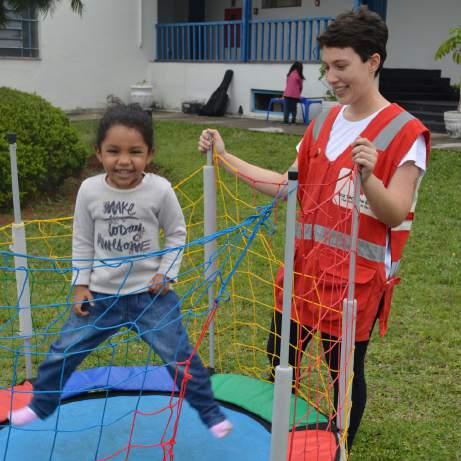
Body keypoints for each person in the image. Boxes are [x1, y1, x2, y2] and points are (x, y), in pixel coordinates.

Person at [198, 7, 430, 451]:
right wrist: (225, 157)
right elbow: (285, 186)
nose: (332, 77)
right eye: (327, 67)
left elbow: (396, 211)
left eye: (341, 66)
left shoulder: (406, 132)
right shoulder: (324, 121)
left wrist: (369, 179)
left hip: (352, 288)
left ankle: (338, 448)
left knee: (342, 376)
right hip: (302, 275)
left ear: (373, 61)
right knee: (279, 361)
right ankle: (278, 441)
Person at [10, 103, 232, 439]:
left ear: (150, 153)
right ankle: (40, 405)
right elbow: (82, 239)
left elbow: (176, 233)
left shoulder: (160, 190)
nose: (124, 161)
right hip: (100, 296)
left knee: (180, 358)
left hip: (151, 296)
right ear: (98, 153)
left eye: (135, 152)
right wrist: (80, 285)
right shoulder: (90, 190)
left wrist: (166, 273)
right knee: (63, 351)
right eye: (113, 151)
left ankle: (210, 413)